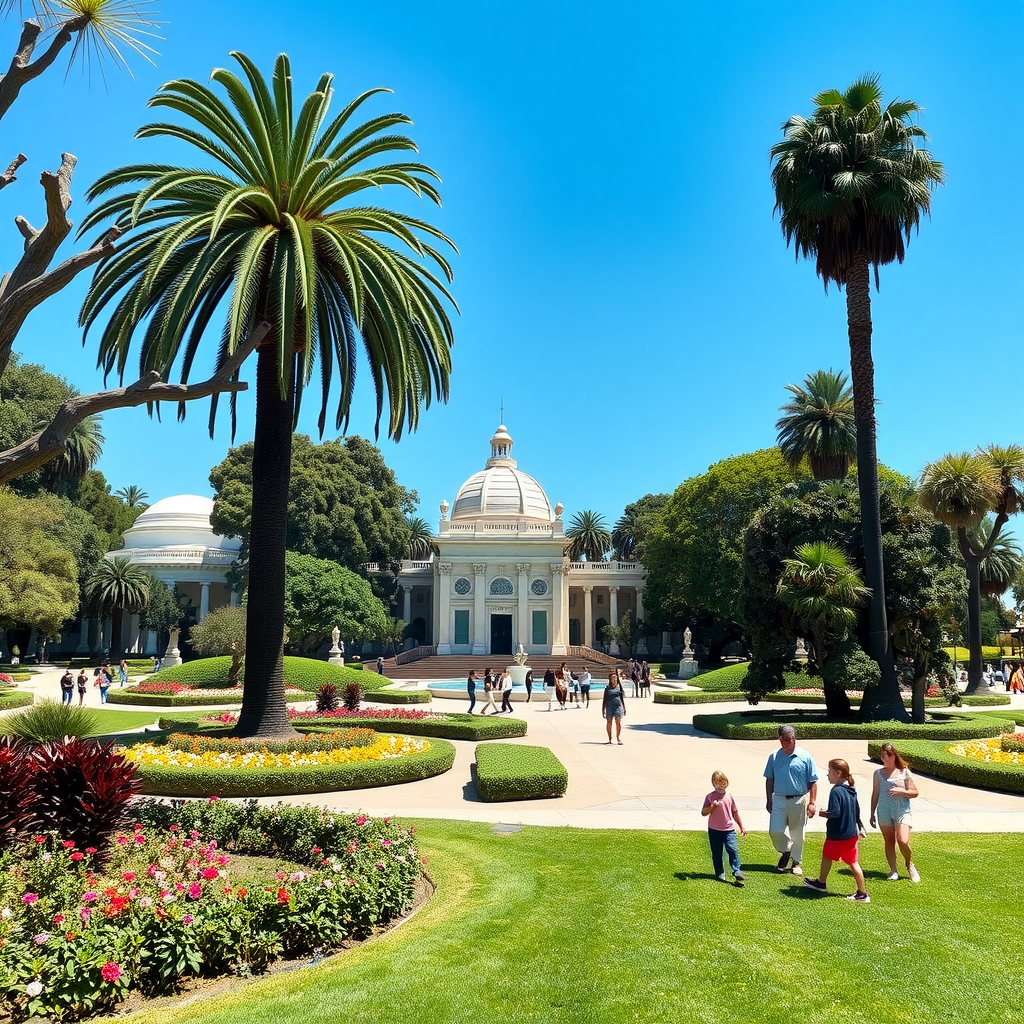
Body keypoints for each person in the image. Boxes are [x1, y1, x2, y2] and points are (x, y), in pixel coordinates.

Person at [803, 758, 869, 903]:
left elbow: (835, 812)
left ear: (838, 773)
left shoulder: (836, 791)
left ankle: (821, 883)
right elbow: (856, 811)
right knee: (853, 862)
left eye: (829, 771)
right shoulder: (852, 790)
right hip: (851, 834)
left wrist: (822, 813)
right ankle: (862, 893)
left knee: (827, 856)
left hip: (837, 834)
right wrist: (859, 827)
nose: (827, 775)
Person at [763, 724, 818, 877]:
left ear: (794, 738)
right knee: (775, 831)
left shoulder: (805, 756)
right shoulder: (774, 756)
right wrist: (769, 799)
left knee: (797, 833)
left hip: (798, 799)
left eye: (787, 740)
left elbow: (813, 781)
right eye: (781, 739)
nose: (784, 743)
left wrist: (812, 802)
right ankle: (787, 849)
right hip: (778, 798)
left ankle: (796, 862)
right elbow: (769, 779)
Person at [869, 742, 920, 882]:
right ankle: (893, 870)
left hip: (902, 810)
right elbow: (875, 793)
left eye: (888, 755)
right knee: (889, 841)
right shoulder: (878, 773)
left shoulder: (904, 772)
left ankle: (909, 864)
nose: (885, 758)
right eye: (883, 755)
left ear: (894, 755)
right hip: (884, 810)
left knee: (903, 840)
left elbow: (915, 792)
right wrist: (871, 813)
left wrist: (902, 791)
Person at [701, 770, 747, 885]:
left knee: (733, 849)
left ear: (727, 782)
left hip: (729, 830)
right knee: (717, 852)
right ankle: (719, 873)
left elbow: (735, 813)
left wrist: (741, 827)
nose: (721, 785)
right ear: (713, 783)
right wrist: (712, 807)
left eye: (723, 782)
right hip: (714, 830)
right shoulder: (710, 797)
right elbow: (703, 812)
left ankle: (736, 871)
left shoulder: (729, 797)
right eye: (717, 782)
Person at [602, 670, 626, 744]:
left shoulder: (620, 688)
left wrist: (624, 708)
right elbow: (604, 699)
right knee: (609, 722)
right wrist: (603, 709)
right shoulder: (607, 689)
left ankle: (618, 738)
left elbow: (622, 699)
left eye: (615, 677)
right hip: (609, 707)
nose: (614, 679)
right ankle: (610, 737)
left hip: (618, 706)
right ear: (610, 679)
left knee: (618, 721)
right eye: (613, 678)